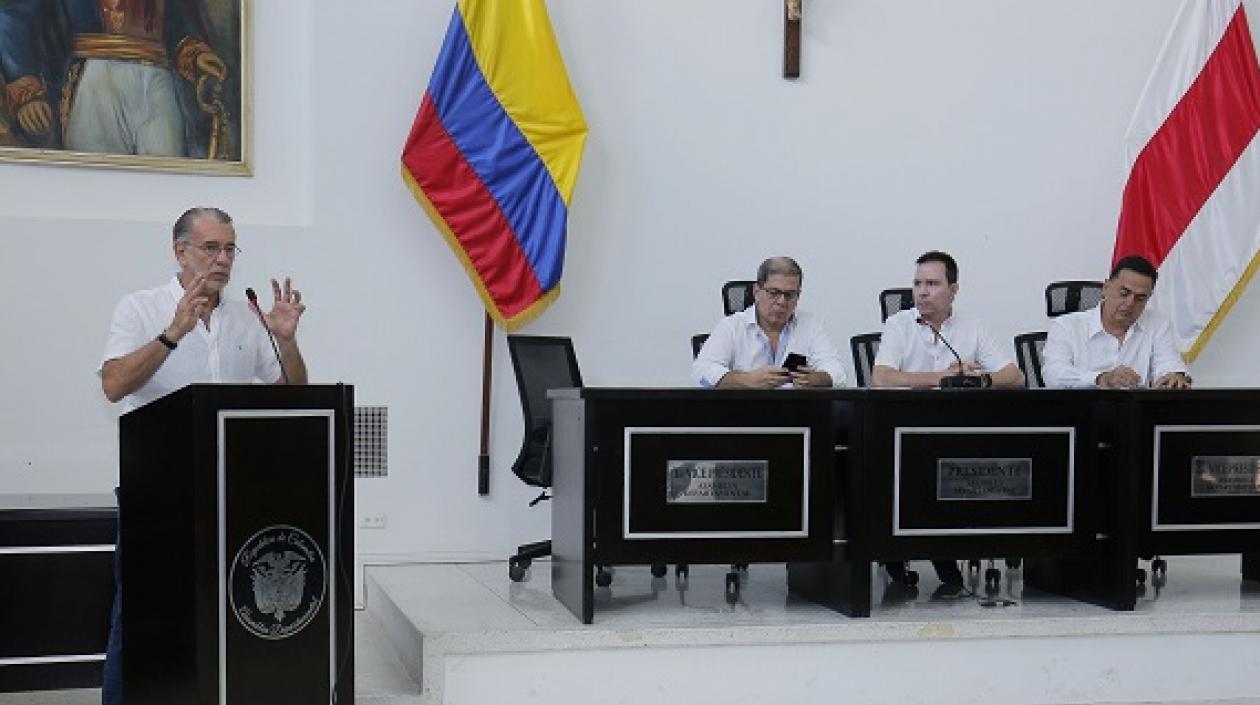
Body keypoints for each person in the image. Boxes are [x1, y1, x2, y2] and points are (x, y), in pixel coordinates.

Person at [97, 206, 308, 705]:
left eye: (230, 248)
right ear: (180, 251)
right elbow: (113, 385)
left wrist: (286, 342)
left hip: (234, 495)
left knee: (224, 609)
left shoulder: (246, 316)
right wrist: (172, 333)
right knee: (141, 613)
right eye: (211, 248)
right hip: (156, 492)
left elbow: (294, 393)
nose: (223, 259)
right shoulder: (141, 308)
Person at [872, 250, 1023, 598]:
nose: (922, 292)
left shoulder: (970, 327)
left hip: (955, 433)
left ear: (953, 289)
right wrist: (940, 378)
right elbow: (881, 377)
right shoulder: (899, 325)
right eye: (917, 284)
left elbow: (1014, 375)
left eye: (932, 284)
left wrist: (980, 381)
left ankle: (945, 550)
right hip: (902, 434)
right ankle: (916, 555)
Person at [0, 0, 226, 155]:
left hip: (159, 80)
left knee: (165, 182)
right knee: (95, 185)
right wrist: (26, 87)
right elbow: (16, 14)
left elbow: (177, 14)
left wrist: (195, 53)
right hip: (95, 80)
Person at [692, 256, 847, 389]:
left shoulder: (811, 324)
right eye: (774, 293)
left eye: (790, 295)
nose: (781, 302)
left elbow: (838, 373)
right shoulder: (732, 326)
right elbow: (702, 371)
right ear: (756, 291)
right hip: (744, 415)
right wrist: (747, 380)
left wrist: (817, 379)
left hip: (798, 415)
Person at [1042, 255, 1191, 389]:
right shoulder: (1066, 326)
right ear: (1106, 288)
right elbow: (1054, 375)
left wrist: (1173, 376)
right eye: (1124, 293)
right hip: (1081, 413)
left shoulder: (1158, 324)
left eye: (1140, 298)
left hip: (1135, 414)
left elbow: (1167, 363)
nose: (1130, 303)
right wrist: (1101, 379)